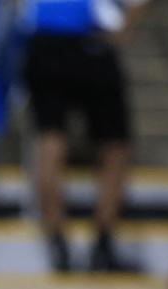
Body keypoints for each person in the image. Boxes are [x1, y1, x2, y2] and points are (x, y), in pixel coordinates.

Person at [21, 0, 148, 272]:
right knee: (114, 144)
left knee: (50, 137)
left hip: (45, 39)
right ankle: (102, 242)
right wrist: (125, 27)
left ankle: (58, 242)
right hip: (90, 38)